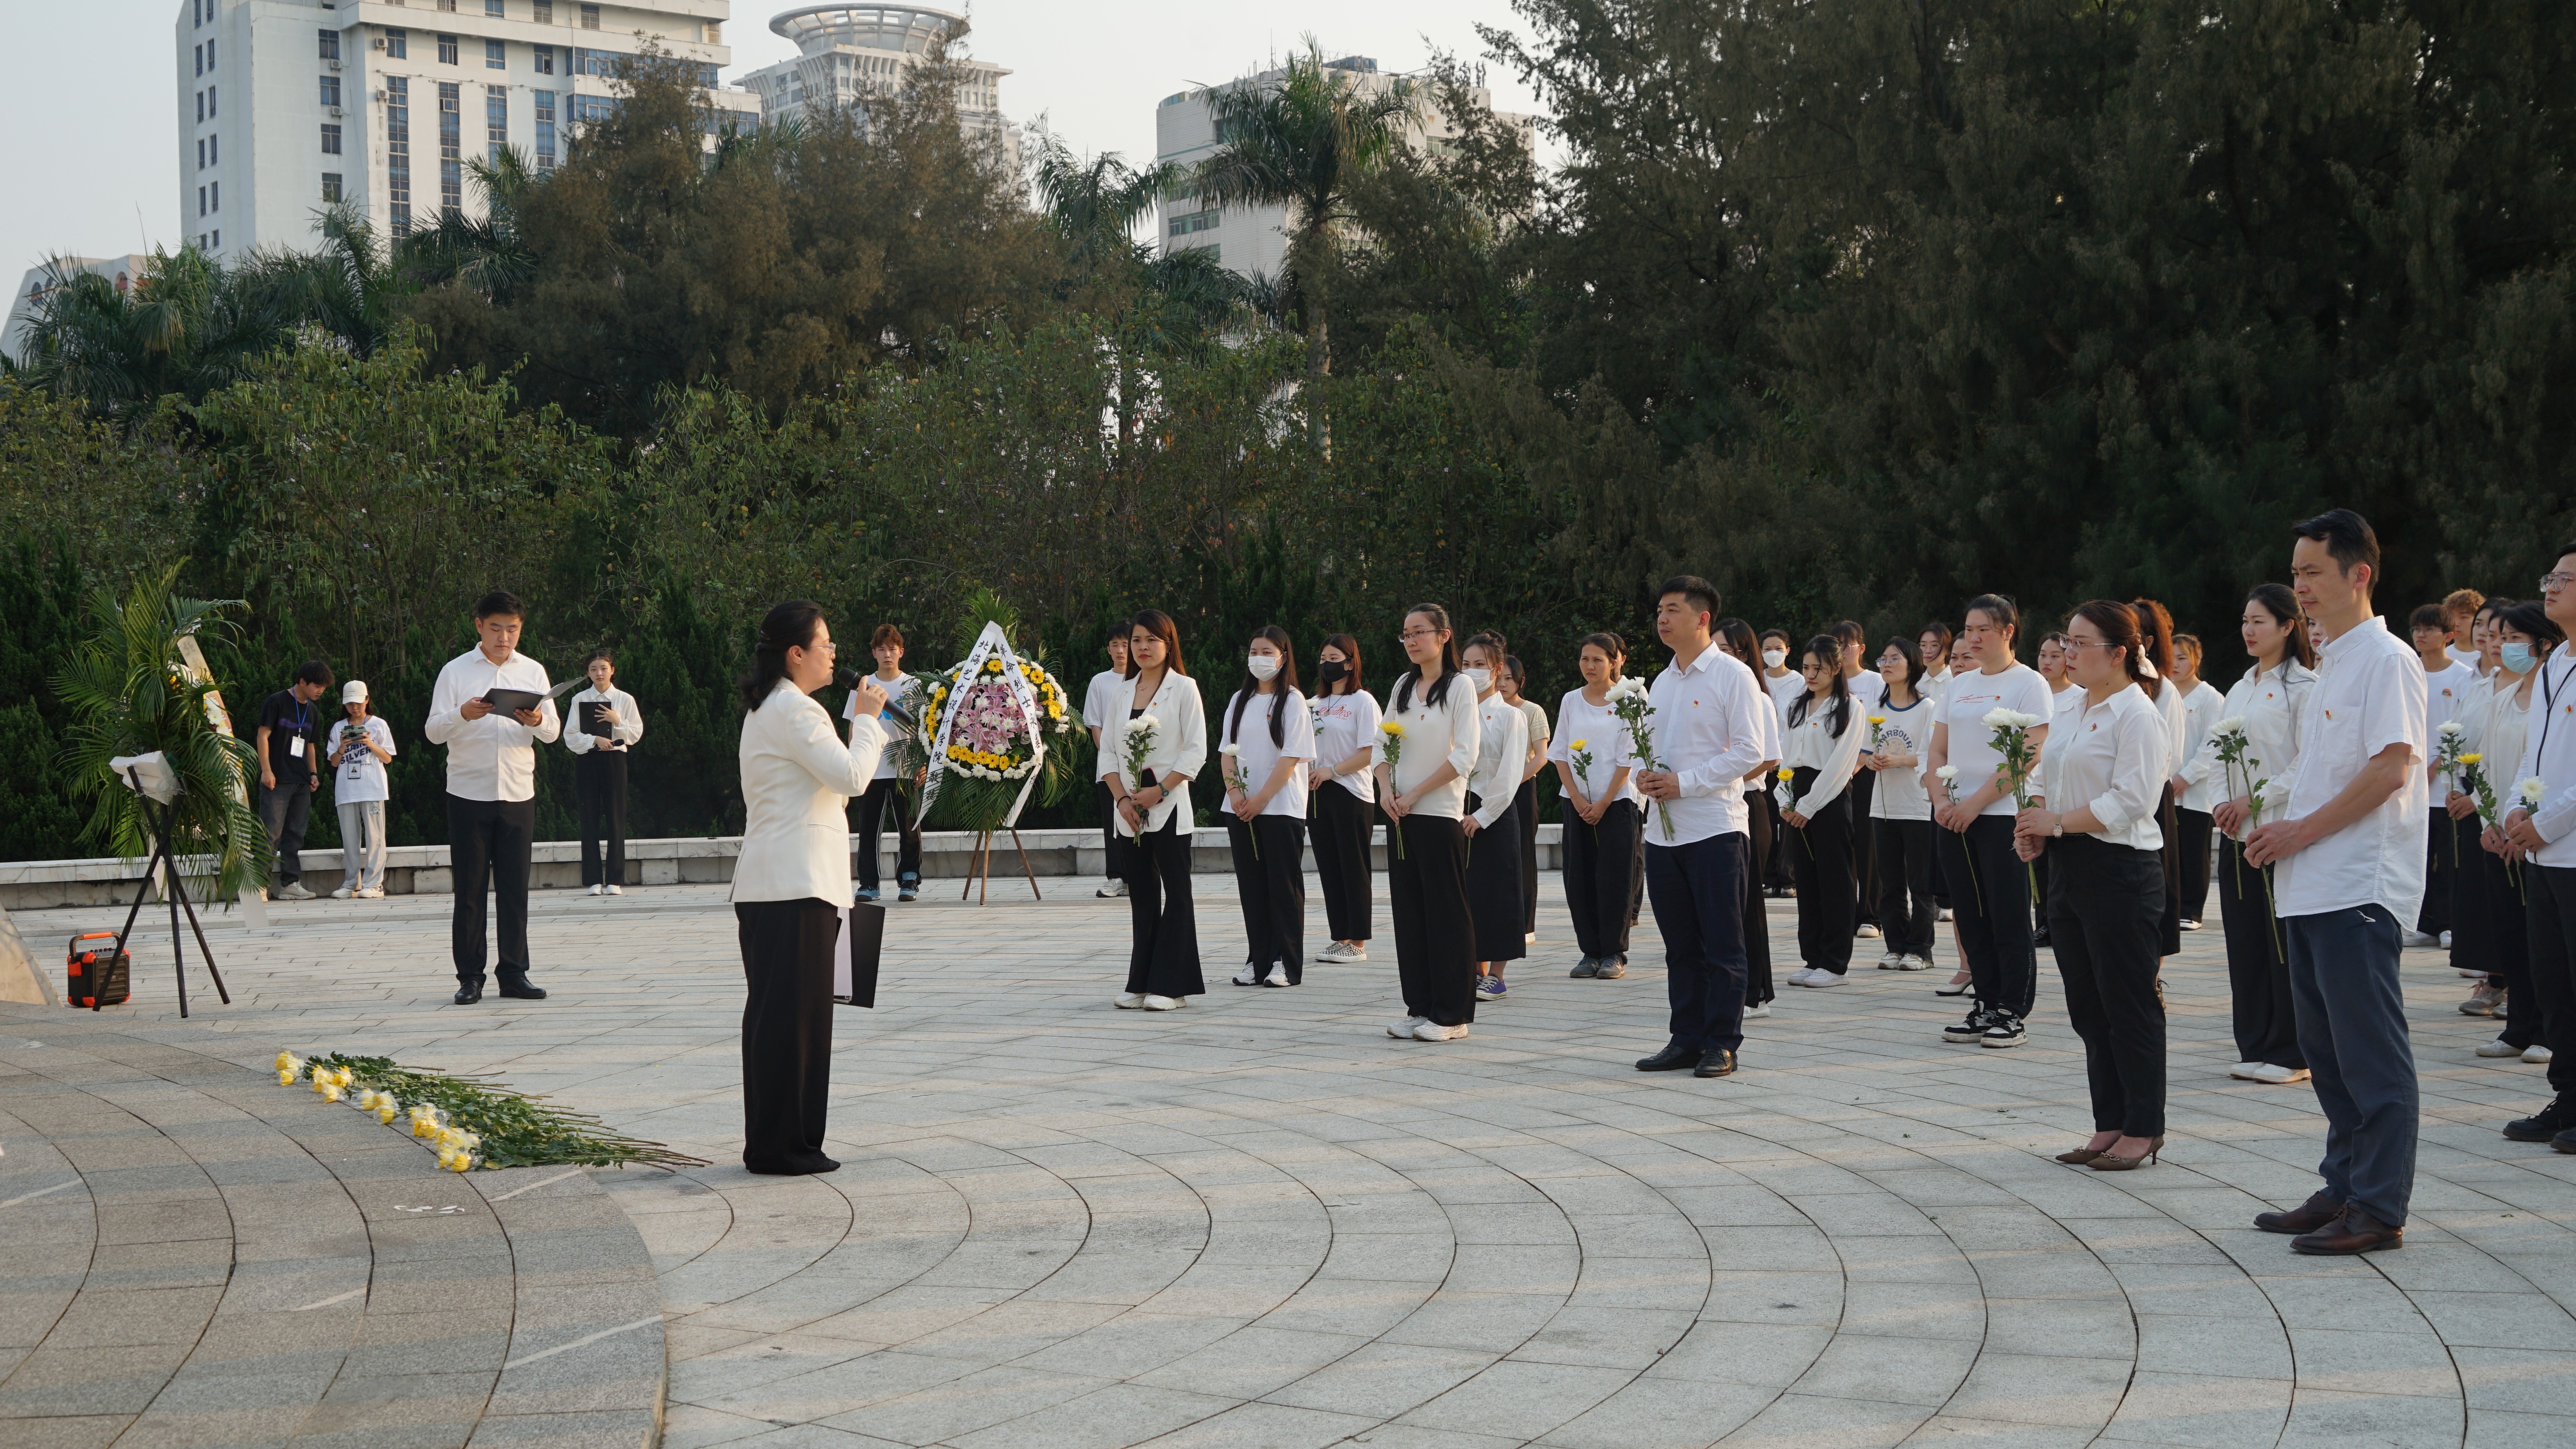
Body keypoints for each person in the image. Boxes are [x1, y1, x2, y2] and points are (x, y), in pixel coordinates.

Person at [2237, 509, 2427, 1255]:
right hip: (2311, 884)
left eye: (2313, 571)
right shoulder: (2334, 664)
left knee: (2370, 1057)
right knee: (2329, 1056)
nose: (2301, 587)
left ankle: (2378, 1207)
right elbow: (2318, 773)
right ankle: (2344, 1186)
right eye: (2296, 573)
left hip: (2358, 886)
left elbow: (2389, 770)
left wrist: (2300, 831)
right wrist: (2273, 819)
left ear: (2360, 574)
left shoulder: (2387, 660)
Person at [730, 601, 890, 1176]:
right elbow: (853, 777)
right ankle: (784, 1147)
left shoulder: (772, 707)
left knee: (785, 1018)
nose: (834, 653)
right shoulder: (796, 709)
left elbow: (830, 788)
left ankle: (782, 1141)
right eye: (825, 644)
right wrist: (867, 720)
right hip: (793, 886)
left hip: (784, 883)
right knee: (792, 1022)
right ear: (796, 654)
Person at [2015, 601, 2172, 1171]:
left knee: (2129, 1004)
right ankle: (2110, 1122)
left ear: (2120, 653)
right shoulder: (2070, 705)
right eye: (2068, 641)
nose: (2069, 653)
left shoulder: (2138, 714)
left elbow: (2132, 801)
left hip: (2120, 870)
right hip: (2068, 866)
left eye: (2082, 644)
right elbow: (2044, 773)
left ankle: (2144, 1127)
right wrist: (2036, 825)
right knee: (2087, 1004)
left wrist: (2056, 822)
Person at [1632, 577, 1769, 1079]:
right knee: (1681, 947)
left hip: (1716, 830)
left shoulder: (1734, 676)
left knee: (1722, 944)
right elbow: (1643, 747)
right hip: (1663, 834)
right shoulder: (1662, 681)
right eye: (1659, 610)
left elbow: (1750, 751)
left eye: (1672, 609)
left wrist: (1684, 783)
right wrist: (1642, 775)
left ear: (1702, 617)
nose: (1662, 619)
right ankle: (1685, 1038)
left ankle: (1721, 1042)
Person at [2199, 583, 2317, 1085]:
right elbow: (2215, 755)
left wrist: (2255, 800)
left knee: (2280, 944)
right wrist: (2220, 804)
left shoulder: (2305, 688)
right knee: (2246, 943)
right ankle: (2254, 1043)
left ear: (2288, 626)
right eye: (2245, 621)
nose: (2248, 630)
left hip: (2279, 832)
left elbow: (2307, 762)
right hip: (2237, 836)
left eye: (2259, 621)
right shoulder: (2240, 688)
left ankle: (2292, 1051)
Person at [1925, 595, 2055, 1049]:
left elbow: (2027, 755)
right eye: (1969, 629)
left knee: (2007, 914)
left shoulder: (2030, 683)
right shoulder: (1958, 685)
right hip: (1954, 817)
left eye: (1983, 629)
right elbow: (1937, 750)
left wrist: (1976, 803)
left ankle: (2011, 1010)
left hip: (2001, 815)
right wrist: (1942, 800)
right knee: (1971, 914)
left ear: (2008, 632)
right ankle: (1984, 1002)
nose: (1973, 638)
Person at [424, 591, 562, 1005]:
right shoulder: (455, 671)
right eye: (496, 628)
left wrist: (537, 719)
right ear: (479, 626)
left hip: (518, 792)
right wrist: (462, 715)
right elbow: (433, 731)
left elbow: (552, 733)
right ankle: (470, 977)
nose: (504, 638)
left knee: (515, 888)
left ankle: (514, 974)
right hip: (468, 792)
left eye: (512, 630)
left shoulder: (533, 671)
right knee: (469, 890)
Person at [1376, 604, 1484, 1042]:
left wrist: (1417, 792)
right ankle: (1419, 1007)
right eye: (1406, 634)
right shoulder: (1403, 686)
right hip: (1400, 816)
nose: (1412, 641)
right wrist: (1386, 790)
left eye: (1420, 632)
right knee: (1410, 916)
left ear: (1444, 635)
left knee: (1446, 916)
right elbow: (1381, 745)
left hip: (1439, 815)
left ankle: (1452, 1015)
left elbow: (1465, 756)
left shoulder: (1460, 686)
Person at [1101, 610, 1207, 1010]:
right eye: (1137, 640)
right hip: (1128, 811)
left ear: (1169, 643)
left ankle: (1172, 987)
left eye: (1152, 640)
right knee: (1143, 897)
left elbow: (1196, 750)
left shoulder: (1184, 688)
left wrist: (1160, 790)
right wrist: (1122, 800)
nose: (1142, 647)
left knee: (1177, 894)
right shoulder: (1121, 692)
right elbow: (1107, 752)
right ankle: (1141, 982)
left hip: (1169, 806)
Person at [2503, 573, 2576, 1150]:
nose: (2551, 588)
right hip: (2544, 856)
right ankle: (2568, 1098)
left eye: (2566, 579)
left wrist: (2544, 824)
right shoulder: (2553, 665)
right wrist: (2513, 808)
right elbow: (2534, 754)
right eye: (2550, 578)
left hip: (2568, 847)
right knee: (2554, 982)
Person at [2467, 602, 2545, 1065]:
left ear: (2543, 643)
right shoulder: (2501, 698)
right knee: (2510, 936)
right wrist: (2488, 822)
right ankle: (2518, 1028)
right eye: (2501, 636)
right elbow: (2487, 768)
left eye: (2515, 638)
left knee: (2545, 943)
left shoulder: (2554, 698)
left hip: (2539, 839)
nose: (2503, 645)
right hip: (2499, 837)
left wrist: (2527, 826)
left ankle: (2548, 1031)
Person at [1221, 626, 1315, 988]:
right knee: (1253, 887)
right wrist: (1235, 793)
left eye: (1267, 652)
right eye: (1253, 652)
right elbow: (1226, 753)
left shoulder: (1293, 701)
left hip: (1280, 807)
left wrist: (1261, 799)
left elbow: (1291, 757)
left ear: (1283, 657)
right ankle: (1257, 959)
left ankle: (1285, 962)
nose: (1258, 658)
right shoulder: (1239, 700)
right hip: (1241, 808)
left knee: (1283, 887)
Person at [1554, 632, 1646, 981]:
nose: (1589, 666)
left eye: (1597, 660)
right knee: (1579, 878)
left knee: (1615, 877)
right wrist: (1578, 799)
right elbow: (1560, 753)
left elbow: (1628, 757)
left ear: (1614, 663)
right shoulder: (1571, 701)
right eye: (1584, 659)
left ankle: (1613, 953)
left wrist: (1605, 800)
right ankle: (1590, 952)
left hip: (1617, 803)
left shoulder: (1628, 701)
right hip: (1577, 803)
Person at [1780, 635, 1865, 986]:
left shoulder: (1850, 707)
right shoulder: (1796, 705)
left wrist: (1810, 805)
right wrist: (1784, 799)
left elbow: (1841, 765)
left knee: (1835, 880)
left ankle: (1834, 963)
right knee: (1807, 880)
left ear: (1837, 668)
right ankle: (1813, 958)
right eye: (1806, 668)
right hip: (1797, 792)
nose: (1812, 675)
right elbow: (1786, 755)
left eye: (1820, 668)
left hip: (1828, 796)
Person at [1716, 619, 1783, 1016]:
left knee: (1747, 904)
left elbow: (1769, 758)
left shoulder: (1757, 697)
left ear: (1744, 654)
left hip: (1748, 803)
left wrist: (1718, 780)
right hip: (1714, 805)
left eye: (1726, 650)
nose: (1718, 657)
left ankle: (1755, 993)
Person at [1461, 632, 1531, 1000]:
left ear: (1497, 669)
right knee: (1467, 893)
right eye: (1465, 664)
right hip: (1457, 810)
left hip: (1495, 811)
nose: (1471, 671)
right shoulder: (1454, 712)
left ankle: (1497, 976)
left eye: (1480, 665)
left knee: (1498, 893)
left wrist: (1483, 815)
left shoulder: (1510, 716)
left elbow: (1510, 773)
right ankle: (1474, 970)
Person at [2405, 604, 2476, 948]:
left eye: (2429, 630)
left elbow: (2463, 727)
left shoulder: (2463, 676)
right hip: (2409, 782)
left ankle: (2450, 923)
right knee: (2418, 855)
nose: (2421, 636)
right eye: (2417, 629)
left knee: (2449, 858)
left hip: (2446, 784)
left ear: (2449, 636)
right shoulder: (2407, 671)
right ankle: (2423, 923)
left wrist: (2435, 766)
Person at [1307, 634, 1381, 963]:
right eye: (1323, 658)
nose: (1327, 664)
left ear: (1350, 663)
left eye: (1334, 658)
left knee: (1353, 867)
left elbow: (1370, 752)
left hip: (1352, 793)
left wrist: (1332, 771)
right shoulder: (1313, 704)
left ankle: (1359, 942)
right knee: (1330, 866)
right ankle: (1341, 937)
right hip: (1317, 793)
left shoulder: (1363, 702)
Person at [1868, 637, 1938, 970]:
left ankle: (1920, 950)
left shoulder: (1928, 708)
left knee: (1921, 884)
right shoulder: (1875, 709)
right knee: (1890, 884)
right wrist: (1871, 761)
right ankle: (1895, 946)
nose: (1887, 664)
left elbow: (1932, 755)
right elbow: (1864, 752)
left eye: (1894, 659)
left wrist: (1900, 760)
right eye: (1883, 659)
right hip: (1883, 807)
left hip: (1918, 806)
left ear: (1913, 664)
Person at [2129, 598, 2188, 961]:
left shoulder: (2163, 690)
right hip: (2104, 800)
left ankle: (2151, 975)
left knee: (2154, 888)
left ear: (2147, 642)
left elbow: (2172, 758)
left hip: (2150, 798)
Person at [847, 625, 923, 903]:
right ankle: (869, 884)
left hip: (905, 768)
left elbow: (925, 728)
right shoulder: (863, 686)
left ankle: (909, 879)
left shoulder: (914, 685)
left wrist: (922, 763)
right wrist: (853, 761)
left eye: (892, 649)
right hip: (871, 769)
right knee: (868, 831)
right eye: (882, 649)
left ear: (901, 652)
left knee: (909, 829)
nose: (887, 654)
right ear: (874, 653)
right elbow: (854, 726)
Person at [566, 648, 644, 898]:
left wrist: (616, 720)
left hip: (615, 761)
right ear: (588, 673)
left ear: (612, 670)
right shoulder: (580, 699)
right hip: (588, 760)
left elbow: (636, 733)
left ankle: (615, 880)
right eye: (593, 669)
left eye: (603, 668)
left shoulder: (625, 699)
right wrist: (594, 739)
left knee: (616, 818)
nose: (599, 673)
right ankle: (593, 880)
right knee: (588, 818)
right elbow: (570, 735)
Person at [254, 660, 334, 900]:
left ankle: (290, 883)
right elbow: (263, 735)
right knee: (271, 831)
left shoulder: (312, 710)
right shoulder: (276, 702)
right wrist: (266, 770)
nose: (320, 691)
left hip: (300, 779)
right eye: (317, 686)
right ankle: (258, 884)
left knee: (296, 833)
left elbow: (310, 745)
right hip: (277, 777)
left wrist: (313, 774)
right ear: (302, 681)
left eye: (324, 687)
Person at [2169, 634, 2225, 930]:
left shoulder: (2210, 698)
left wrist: (2187, 776)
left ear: (2197, 659)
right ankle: (2171, 907)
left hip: (2195, 791)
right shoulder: (2162, 695)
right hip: (2164, 788)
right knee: (2169, 852)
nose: (2175, 664)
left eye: (2182, 658)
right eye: (2171, 657)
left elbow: (2213, 743)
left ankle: (2192, 911)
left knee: (2193, 851)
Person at [1834, 621, 1886, 942]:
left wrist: (1859, 763)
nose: (1841, 652)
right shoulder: (1829, 680)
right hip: (1832, 770)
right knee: (1840, 843)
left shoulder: (1876, 682)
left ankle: (1869, 914)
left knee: (1867, 843)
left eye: (1847, 645)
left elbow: (1881, 726)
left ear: (1861, 649)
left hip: (1865, 770)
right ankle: (1844, 913)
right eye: (1836, 645)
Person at [325, 680, 395, 900]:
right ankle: (351, 883)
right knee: (349, 838)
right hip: (346, 789)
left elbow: (388, 758)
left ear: (367, 700)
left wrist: (369, 743)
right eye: (349, 704)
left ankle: (374, 884)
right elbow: (333, 762)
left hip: (372, 787)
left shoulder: (379, 724)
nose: (354, 707)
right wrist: (342, 747)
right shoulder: (338, 727)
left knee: (375, 837)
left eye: (358, 702)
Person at [2030, 631, 2078, 948]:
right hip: (2032, 784)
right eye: (2043, 655)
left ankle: (2055, 921)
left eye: (2055, 656)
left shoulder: (2078, 697)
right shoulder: (2033, 693)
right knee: (2037, 859)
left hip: (2061, 789)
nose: (2047, 662)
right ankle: (2042, 921)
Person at [1500, 655, 1551, 945]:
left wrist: (1510, 782)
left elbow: (1541, 758)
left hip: (1520, 788)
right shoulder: (1482, 710)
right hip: (1487, 789)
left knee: (1523, 856)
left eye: (1509, 678)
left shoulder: (1532, 711)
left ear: (1520, 681)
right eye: (1499, 678)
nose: (1503, 684)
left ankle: (1525, 925)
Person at [1084, 623, 1133, 899]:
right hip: (1110, 768)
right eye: (1115, 645)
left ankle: (1140, 877)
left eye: (1125, 645)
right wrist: (1110, 759)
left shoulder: (1143, 680)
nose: (1121, 650)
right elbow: (1096, 725)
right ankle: (1116, 877)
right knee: (1113, 823)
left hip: (1140, 766)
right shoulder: (1100, 682)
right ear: (1108, 650)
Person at [1757, 628, 1802, 896]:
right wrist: (1766, 754)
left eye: (1778, 648)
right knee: (1765, 818)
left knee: (1787, 815)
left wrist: (1782, 755)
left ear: (1787, 651)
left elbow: (1797, 722)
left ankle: (1789, 878)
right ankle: (1768, 876)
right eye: (1767, 649)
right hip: (1761, 761)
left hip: (1789, 760)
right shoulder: (1755, 679)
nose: (1773, 653)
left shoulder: (1799, 682)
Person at [2444, 588, 2486, 670]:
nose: (2456, 624)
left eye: (2464, 617)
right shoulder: (2444, 656)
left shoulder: (2491, 657)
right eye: (2451, 617)